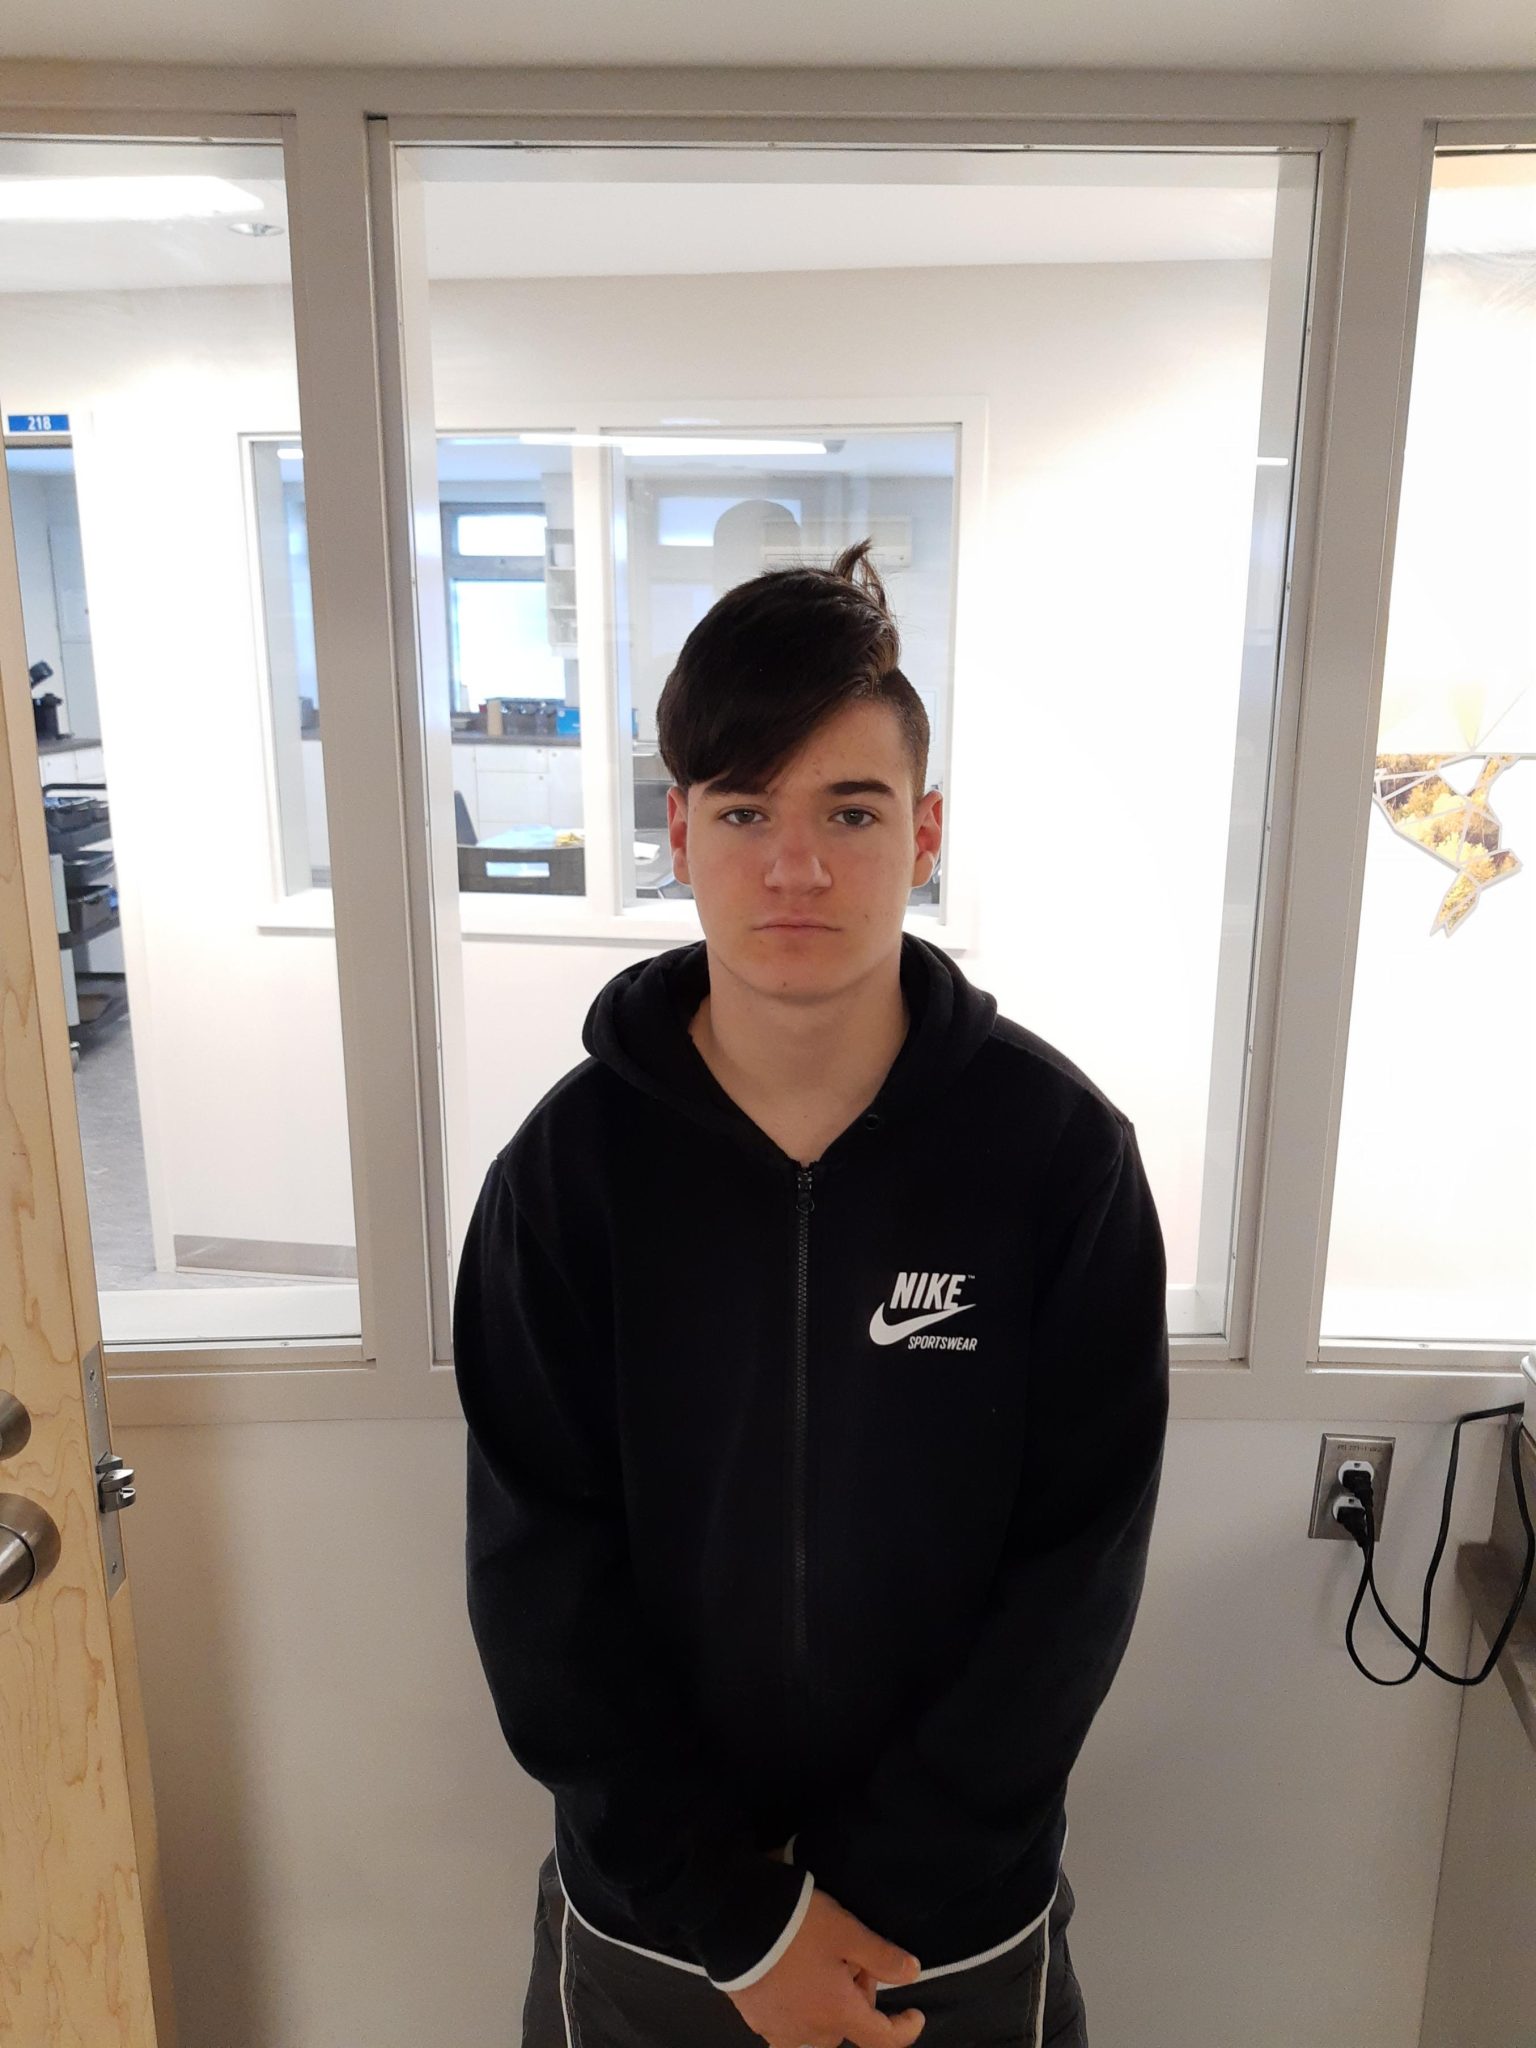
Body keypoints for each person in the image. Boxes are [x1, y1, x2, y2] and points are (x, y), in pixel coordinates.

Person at [452, 540, 1170, 2048]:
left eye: (850, 811)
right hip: (661, 1933)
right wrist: (743, 1920)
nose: (797, 867)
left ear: (924, 831)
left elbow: (1075, 1572)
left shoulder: (1057, 1158)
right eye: (745, 811)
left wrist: (874, 1896)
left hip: (946, 1928)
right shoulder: (569, 1175)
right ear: (680, 831)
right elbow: (541, 1582)